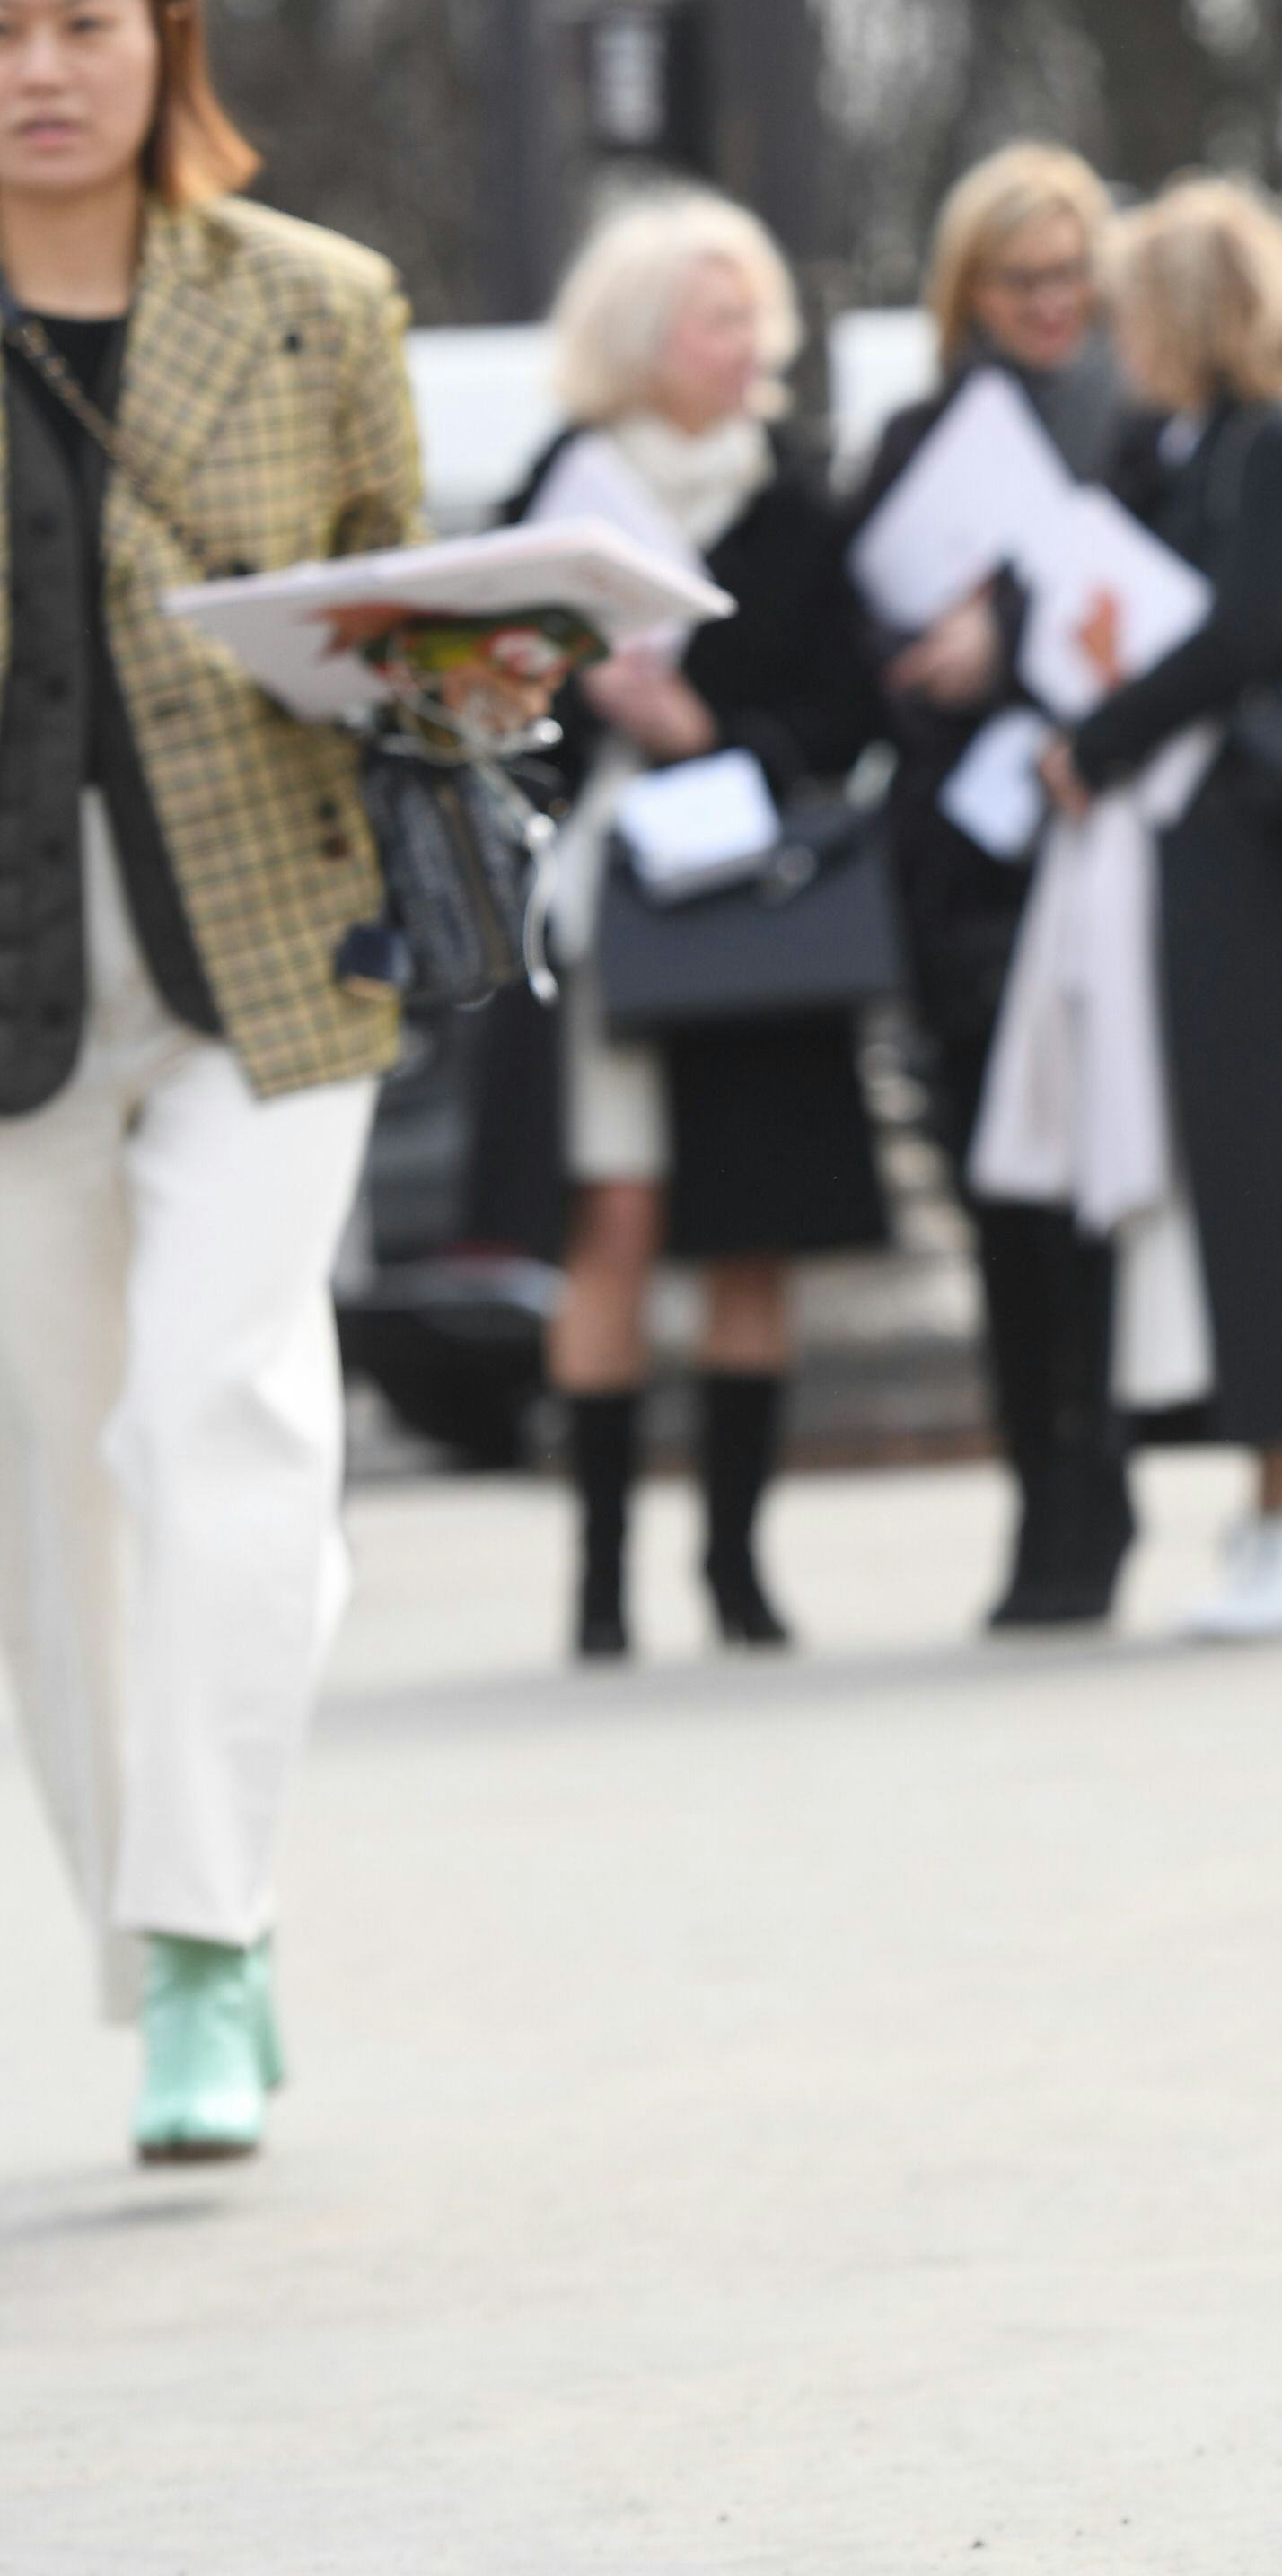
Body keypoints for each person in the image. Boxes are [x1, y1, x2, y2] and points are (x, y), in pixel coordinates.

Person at [0, 0, 423, 2162]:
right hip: (18, 979)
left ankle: (210, 1930)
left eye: (83, 18)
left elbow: (422, 633)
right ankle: (150, 1931)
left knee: (218, 1418)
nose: (39, 69)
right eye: (1, 30)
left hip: (279, 942)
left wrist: (479, 658)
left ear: (167, 36)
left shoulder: (313, 302)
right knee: (55, 1487)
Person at [480, 196, 890, 1661]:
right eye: (717, 319)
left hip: (747, 924)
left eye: (751, 319)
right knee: (616, 1216)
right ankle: (597, 1580)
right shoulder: (560, 488)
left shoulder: (789, 508)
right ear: (642, 337)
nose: (745, 345)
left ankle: (733, 1565)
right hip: (605, 917)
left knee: (749, 1236)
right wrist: (568, 705)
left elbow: (848, 712)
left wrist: (710, 726)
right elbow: (474, 701)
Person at [1043, 179, 1282, 1641]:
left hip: (1272, 864)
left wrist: (1099, 734)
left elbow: (1251, 626)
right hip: (1222, 864)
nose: (1116, 339)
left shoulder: (1271, 445)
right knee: (1251, 1186)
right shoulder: (1184, 444)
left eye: (1137, 309)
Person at [854, 146, 1137, 1627]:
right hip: (960, 879)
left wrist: (1012, 626)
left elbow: (1160, 618)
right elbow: (856, 647)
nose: (1049, 304)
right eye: (1019, 279)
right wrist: (931, 660)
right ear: (967, 290)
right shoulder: (914, 438)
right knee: (999, 1199)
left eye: (1069, 276)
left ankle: (1099, 1500)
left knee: (1093, 1198)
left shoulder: (1133, 427)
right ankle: (1037, 1497)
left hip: (1094, 856)